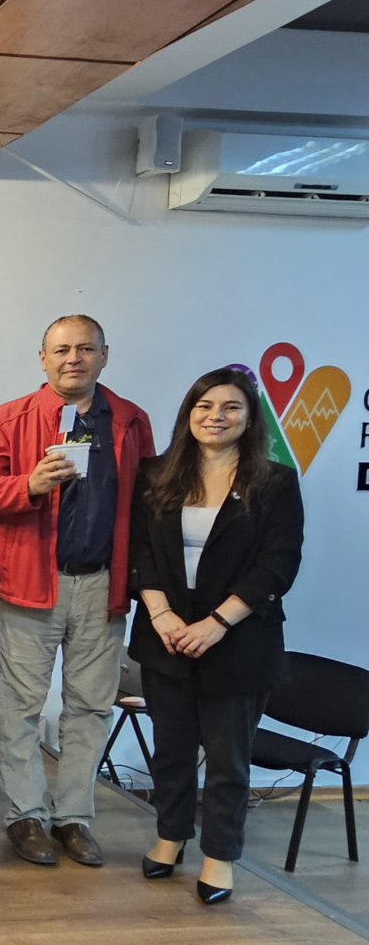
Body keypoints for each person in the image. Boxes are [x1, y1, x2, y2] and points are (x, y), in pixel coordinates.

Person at [0, 315, 154, 868]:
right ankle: (26, 815)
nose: (74, 358)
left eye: (85, 349)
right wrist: (28, 484)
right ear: (43, 359)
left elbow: (146, 502)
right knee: (21, 707)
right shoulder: (10, 417)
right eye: (62, 350)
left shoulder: (129, 420)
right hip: (30, 585)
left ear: (104, 355)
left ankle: (74, 817)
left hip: (103, 585)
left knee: (90, 708)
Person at [129, 368, 303, 905]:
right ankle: (170, 835)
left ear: (249, 419)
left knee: (229, 757)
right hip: (167, 635)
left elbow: (277, 567)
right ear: (188, 414)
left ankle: (220, 856)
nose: (215, 416)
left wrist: (217, 622)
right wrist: (160, 616)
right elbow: (140, 553)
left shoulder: (274, 481)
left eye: (230, 407)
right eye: (204, 406)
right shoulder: (156, 474)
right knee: (173, 748)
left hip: (238, 641)